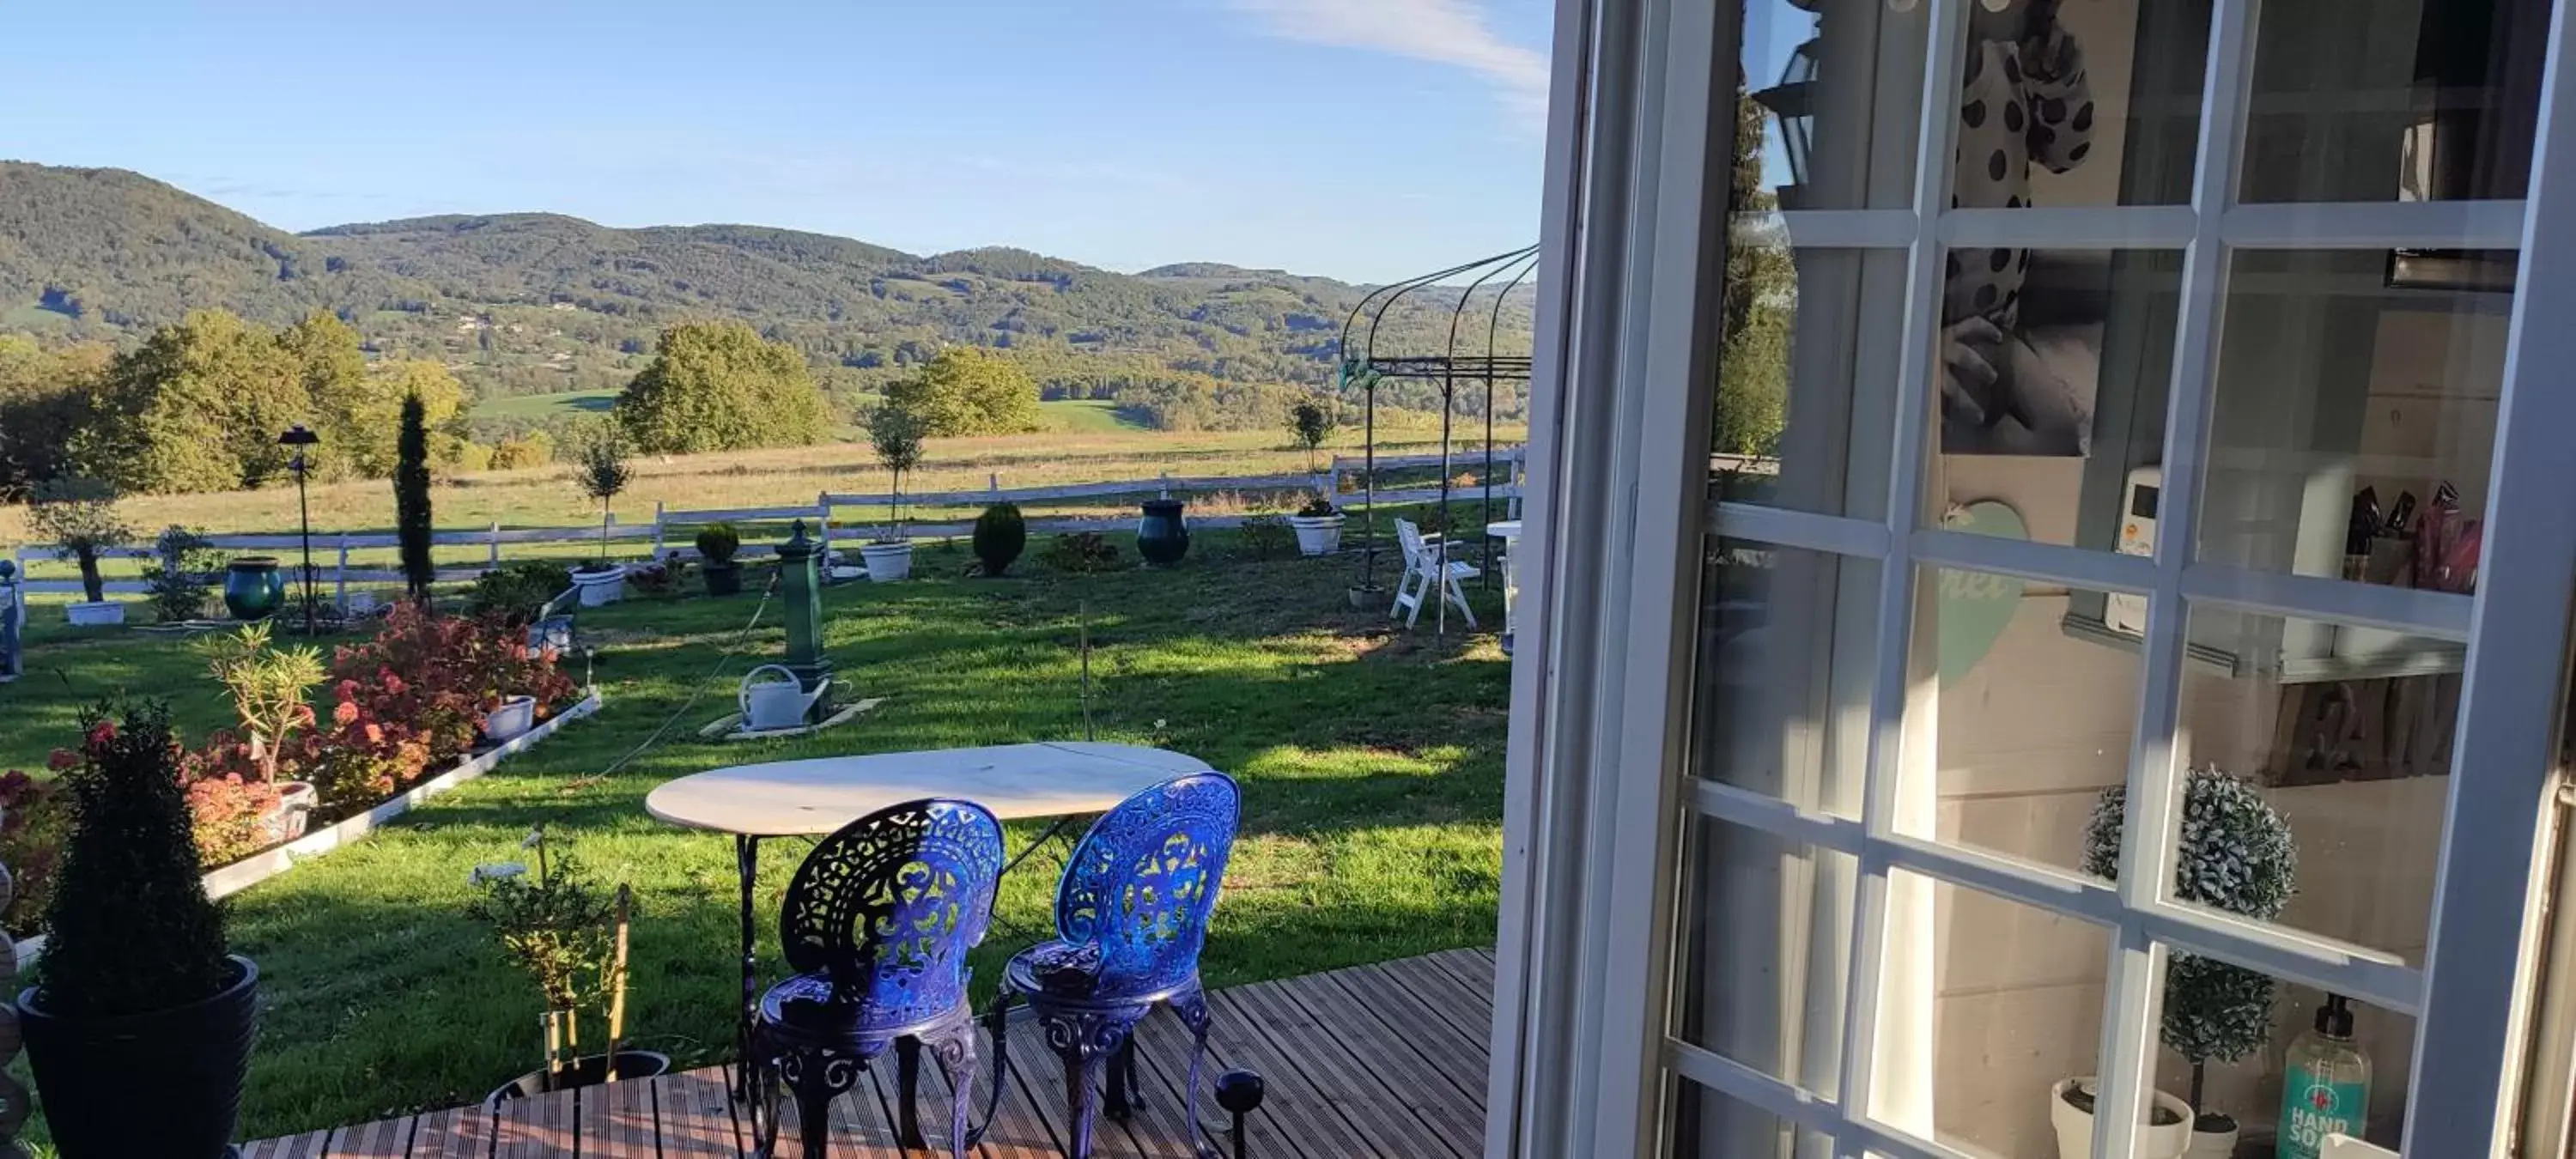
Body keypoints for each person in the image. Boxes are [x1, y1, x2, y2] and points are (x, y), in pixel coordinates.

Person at [1941, 0, 2098, 455]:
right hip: (1915, 331)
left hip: (1996, 325)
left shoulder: (2008, 56)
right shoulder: (1902, 66)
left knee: (2056, 442)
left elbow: (2068, 151)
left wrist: (2054, 73)